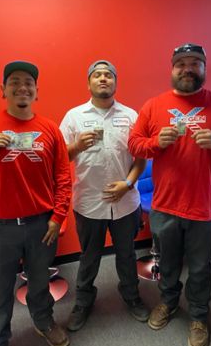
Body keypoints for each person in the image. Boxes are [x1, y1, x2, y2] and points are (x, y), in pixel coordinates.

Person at [128, 43, 211, 346]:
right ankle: (168, 303)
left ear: (203, 68)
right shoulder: (153, 105)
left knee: (200, 268)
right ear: (172, 69)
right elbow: (134, 144)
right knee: (168, 264)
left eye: (194, 62)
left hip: (205, 207)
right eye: (180, 63)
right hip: (165, 206)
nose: (187, 68)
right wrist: (156, 143)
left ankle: (198, 316)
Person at [0, 61, 72, 346]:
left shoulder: (50, 129)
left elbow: (63, 177)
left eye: (28, 82)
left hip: (41, 225)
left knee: (40, 282)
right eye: (14, 81)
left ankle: (44, 322)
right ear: (3, 89)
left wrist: (58, 216)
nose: (22, 87)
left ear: (36, 91)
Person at [59, 60, 150, 331]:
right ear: (88, 83)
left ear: (115, 82)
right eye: (97, 75)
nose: (103, 79)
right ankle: (83, 302)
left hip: (126, 202)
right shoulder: (73, 116)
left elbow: (141, 157)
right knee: (89, 256)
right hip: (89, 202)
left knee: (126, 254)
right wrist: (76, 145)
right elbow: (60, 158)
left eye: (108, 75)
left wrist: (128, 183)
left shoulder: (131, 116)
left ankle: (132, 297)